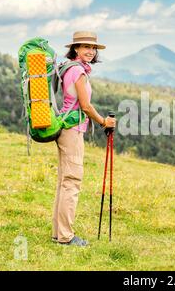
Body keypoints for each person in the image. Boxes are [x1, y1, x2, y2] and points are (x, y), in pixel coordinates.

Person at [52, 31, 116, 246]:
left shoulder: (69, 68)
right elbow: (86, 106)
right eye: (85, 47)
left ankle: (58, 233)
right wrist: (103, 122)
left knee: (64, 182)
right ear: (76, 49)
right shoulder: (78, 71)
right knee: (72, 182)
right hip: (72, 129)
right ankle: (66, 237)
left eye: (93, 48)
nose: (90, 51)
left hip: (65, 128)